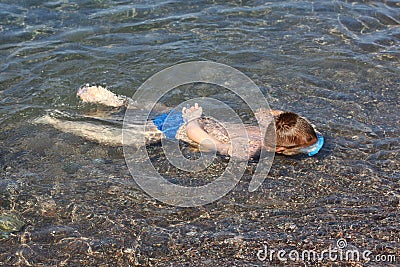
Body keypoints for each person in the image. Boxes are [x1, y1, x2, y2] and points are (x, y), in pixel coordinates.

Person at [36, 84, 324, 158]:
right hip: (184, 127)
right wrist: (193, 123)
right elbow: (205, 143)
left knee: (148, 107)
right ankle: (55, 121)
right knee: (119, 138)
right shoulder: (251, 148)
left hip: (193, 116)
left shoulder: (264, 126)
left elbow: (267, 112)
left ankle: (113, 101)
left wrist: (297, 124)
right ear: (280, 150)